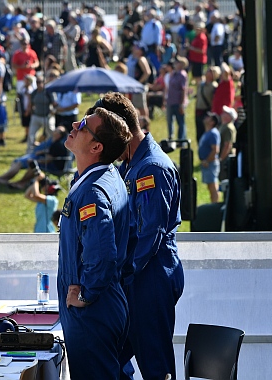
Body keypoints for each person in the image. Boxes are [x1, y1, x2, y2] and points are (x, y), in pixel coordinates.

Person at [89, 92, 184, 380]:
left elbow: (148, 236)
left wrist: (118, 274)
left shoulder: (151, 168)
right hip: (134, 279)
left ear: (123, 133)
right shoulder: (131, 164)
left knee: (156, 368)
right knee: (109, 359)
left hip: (149, 279)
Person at [58, 107, 132, 380]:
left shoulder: (92, 193)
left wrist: (86, 295)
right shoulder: (104, 177)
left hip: (92, 311)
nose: (75, 124)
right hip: (105, 305)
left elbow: (101, 256)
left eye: (85, 126)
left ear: (96, 147)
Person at [0, 126, 69, 189]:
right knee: (21, 162)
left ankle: (19, 182)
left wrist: (36, 162)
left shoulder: (57, 145)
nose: (54, 131)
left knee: (32, 166)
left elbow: (48, 159)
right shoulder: (54, 142)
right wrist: (42, 152)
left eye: (56, 131)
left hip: (54, 167)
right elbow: (51, 153)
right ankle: (7, 179)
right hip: (50, 163)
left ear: (59, 135)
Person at [199, 112, 221, 203]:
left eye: (209, 118)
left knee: (213, 186)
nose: (206, 118)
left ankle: (215, 204)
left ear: (212, 122)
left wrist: (207, 160)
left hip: (210, 163)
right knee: (210, 186)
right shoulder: (208, 132)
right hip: (207, 163)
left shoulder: (213, 133)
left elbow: (215, 150)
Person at [164, 56, 188, 141]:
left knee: (180, 122)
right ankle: (171, 137)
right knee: (170, 120)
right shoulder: (173, 74)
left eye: (177, 62)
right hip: (171, 101)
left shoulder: (182, 75)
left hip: (178, 102)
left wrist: (181, 104)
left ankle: (181, 139)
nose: (175, 63)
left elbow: (183, 90)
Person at [218, 105, 238, 181]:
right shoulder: (223, 126)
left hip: (226, 157)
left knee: (224, 179)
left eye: (225, 113)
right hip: (223, 156)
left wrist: (221, 159)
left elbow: (227, 145)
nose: (222, 114)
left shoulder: (228, 128)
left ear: (229, 117)